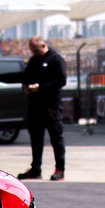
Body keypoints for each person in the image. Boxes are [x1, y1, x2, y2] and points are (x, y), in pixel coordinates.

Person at [17, 35, 66, 181]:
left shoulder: (55, 59)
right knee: (36, 139)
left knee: (56, 138)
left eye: (36, 50)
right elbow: (25, 77)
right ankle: (36, 169)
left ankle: (59, 169)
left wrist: (41, 87)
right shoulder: (33, 60)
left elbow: (62, 80)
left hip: (51, 107)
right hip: (35, 107)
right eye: (32, 50)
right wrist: (26, 87)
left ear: (43, 45)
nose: (34, 53)